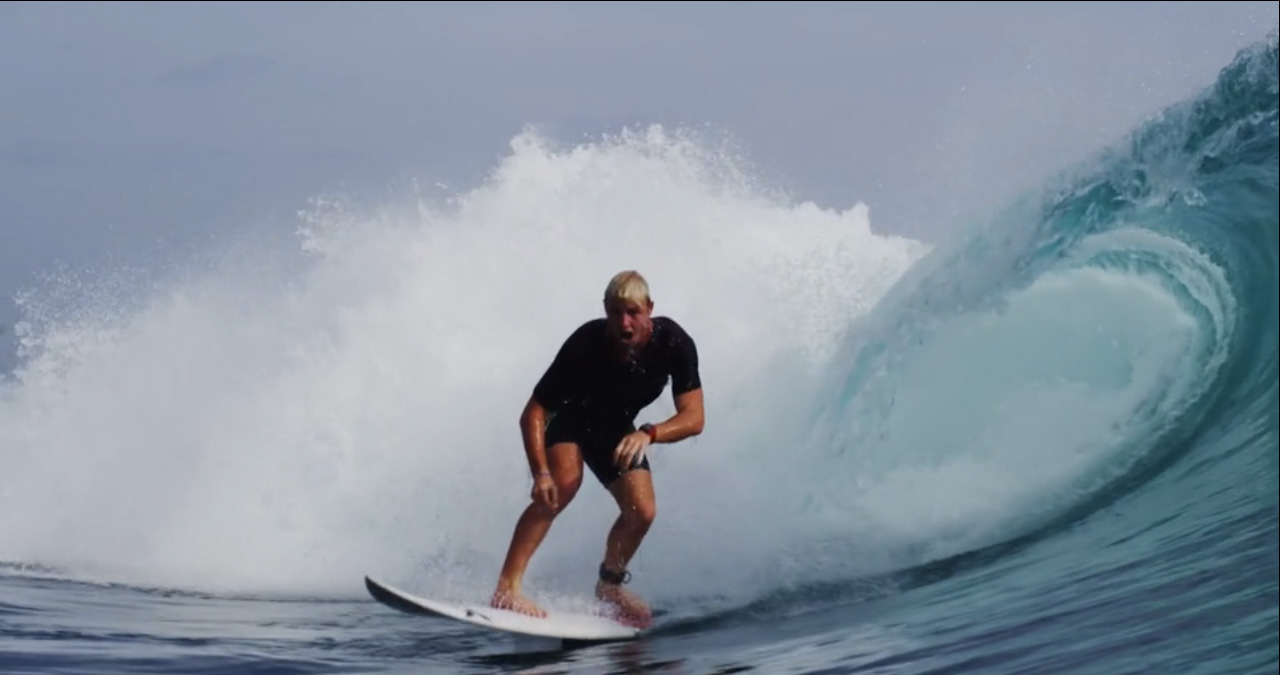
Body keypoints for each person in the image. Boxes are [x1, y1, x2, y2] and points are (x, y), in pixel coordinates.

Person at [489, 270, 705, 629]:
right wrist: (540, 473)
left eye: (633, 311)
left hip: (616, 429)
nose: (624, 321)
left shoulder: (674, 343)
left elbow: (694, 417)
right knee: (562, 486)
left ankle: (609, 587)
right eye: (616, 311)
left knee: (643, 511)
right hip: (570, 419)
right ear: (605, 309)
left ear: (650, 308)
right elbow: (533, 414)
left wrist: (649, 433)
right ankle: (506, 589)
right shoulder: (586, 343)